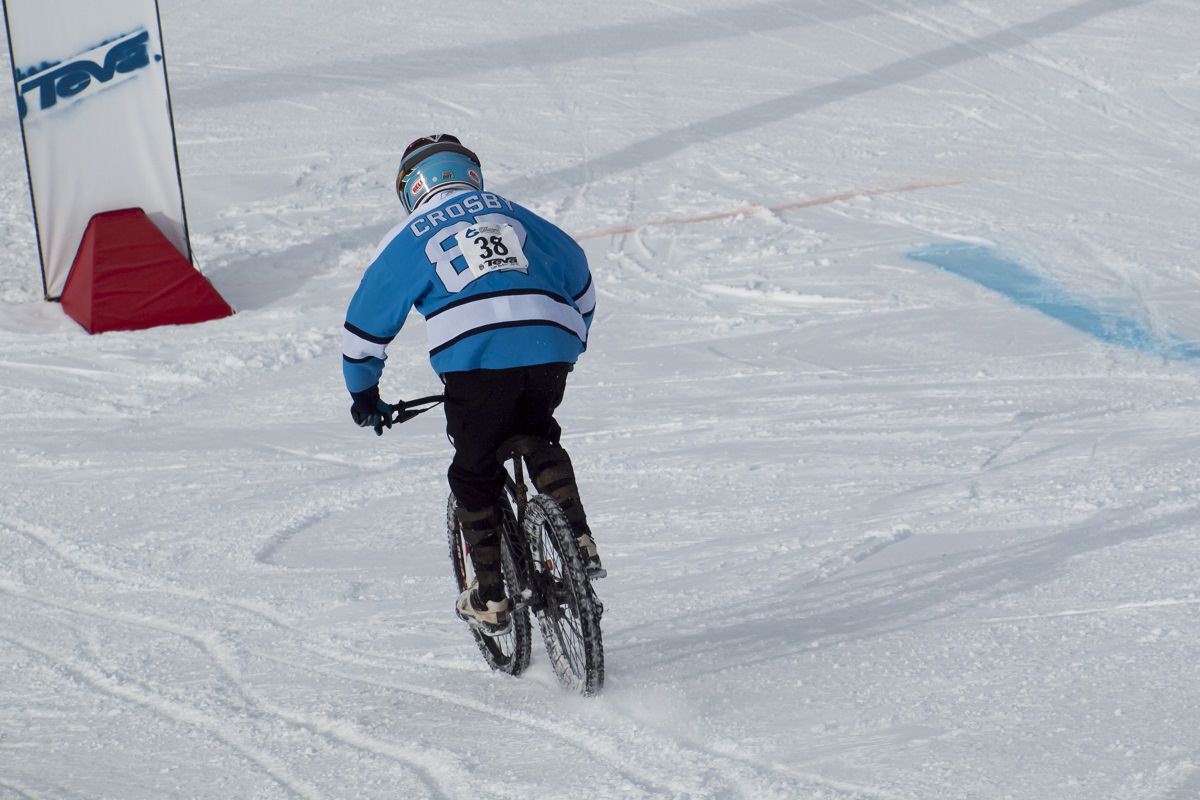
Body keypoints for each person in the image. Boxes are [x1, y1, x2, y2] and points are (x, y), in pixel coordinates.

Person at [340, 134, 600, 633]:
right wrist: (571, 338)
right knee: (538, 431)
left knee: (473, 471)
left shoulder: (408, 234)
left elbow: (364, 331)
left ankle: (491, 597)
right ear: (470, 174)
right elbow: (581, 280)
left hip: (475, 357)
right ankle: (579, 537)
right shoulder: (519, 214)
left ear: (411, 188)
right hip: (552, 341)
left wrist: (365, 394)